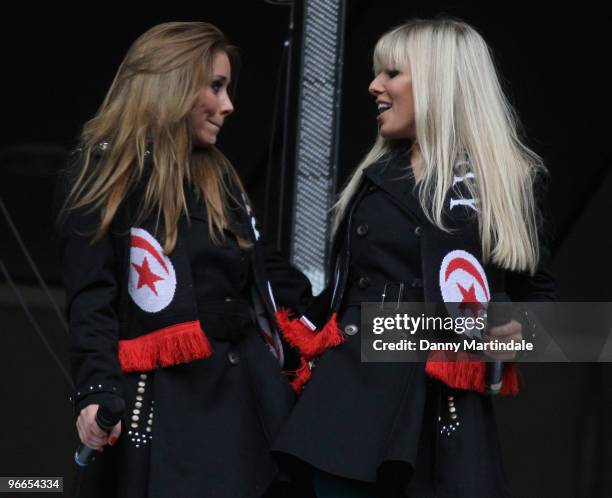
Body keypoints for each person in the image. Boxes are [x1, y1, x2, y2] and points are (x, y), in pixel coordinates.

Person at [271, 18, 556, 498]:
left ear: (438, 82)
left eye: (391, 73)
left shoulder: (508, 181)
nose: (374, 86)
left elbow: (540, 298)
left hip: (446, 409)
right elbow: (340, 301)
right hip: (349, 409)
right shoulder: (373, 177)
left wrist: (519, 334)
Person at [59, 21, 311, 498]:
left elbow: (275, 280)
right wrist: (94, 393)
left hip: (246, 402)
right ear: (172, 83)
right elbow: (91, 298)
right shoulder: (105, 169)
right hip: (163, 410)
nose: (229, 105)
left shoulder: (220, 176)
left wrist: (370, 323)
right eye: (215, 86)